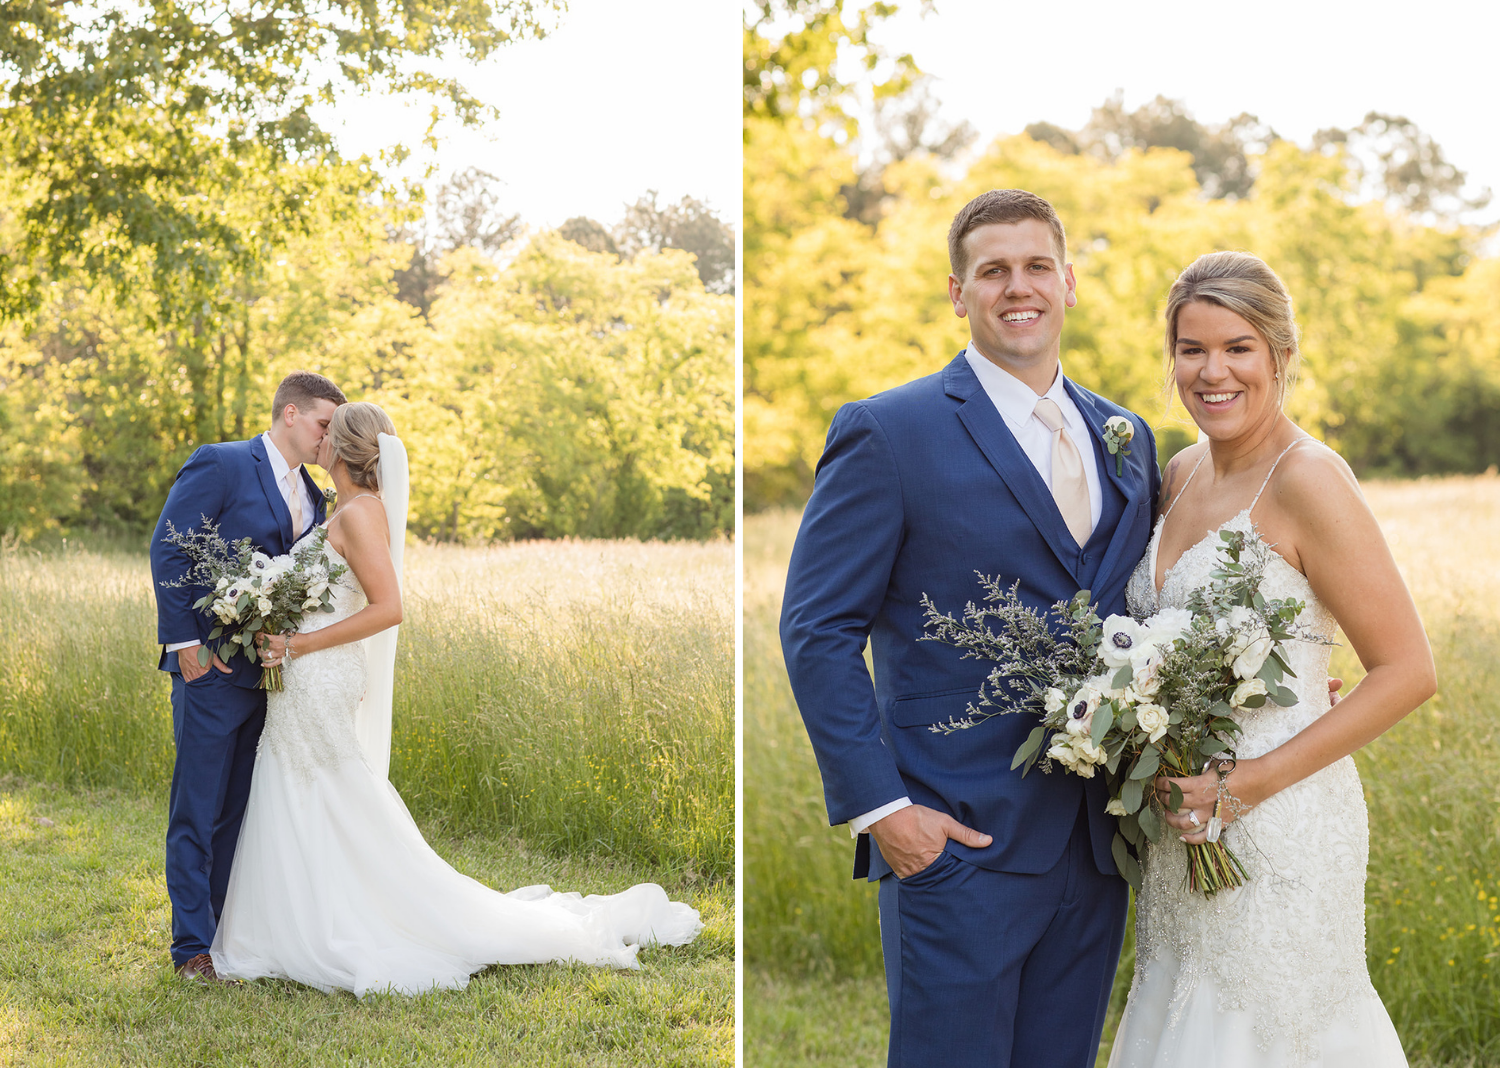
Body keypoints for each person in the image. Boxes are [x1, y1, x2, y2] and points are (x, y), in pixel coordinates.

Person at [780, 189, 1160, 1067]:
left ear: (1069, 283)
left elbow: (1146, 609)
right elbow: (817, 628)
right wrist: (885, 812)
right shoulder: (888, 431)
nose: (1016, 287)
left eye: (1036, 267)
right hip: (955, 840)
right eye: (993, 270)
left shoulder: (1126, 436)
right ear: (959, 292)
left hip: (1096, 842)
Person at [209, 401, 702, 995]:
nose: (316, 444)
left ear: (339, 450)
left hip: (319, 672)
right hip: (304, 673)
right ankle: (289, 920)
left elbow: (388, 609)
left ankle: (346, 921)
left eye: (324, 436)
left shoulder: (361, 514)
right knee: (302, 789)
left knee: (326, 788)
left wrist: (302, 643)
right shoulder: (347, 509)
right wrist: (277, 628)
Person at [1109, 251, 1434, 1066]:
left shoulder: (1310, 480)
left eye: (1238, 348)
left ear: (1281, 356)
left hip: (1278, 816)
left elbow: (1407, 670)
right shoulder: (1179, 473)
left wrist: (1248, 779)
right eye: (1192, 349)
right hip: (1181, 825)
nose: (1212, 371)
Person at [150, 371, 346, 983]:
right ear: (290, 414)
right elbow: (170, 546)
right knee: (197, 808)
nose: (327, 437)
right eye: (322, 424)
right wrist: (185, 642)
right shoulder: (222, 463)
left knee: (237, 810)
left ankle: (221, 932)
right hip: (208, 668)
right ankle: (190, 950)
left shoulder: (315, 498)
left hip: (266, 680)